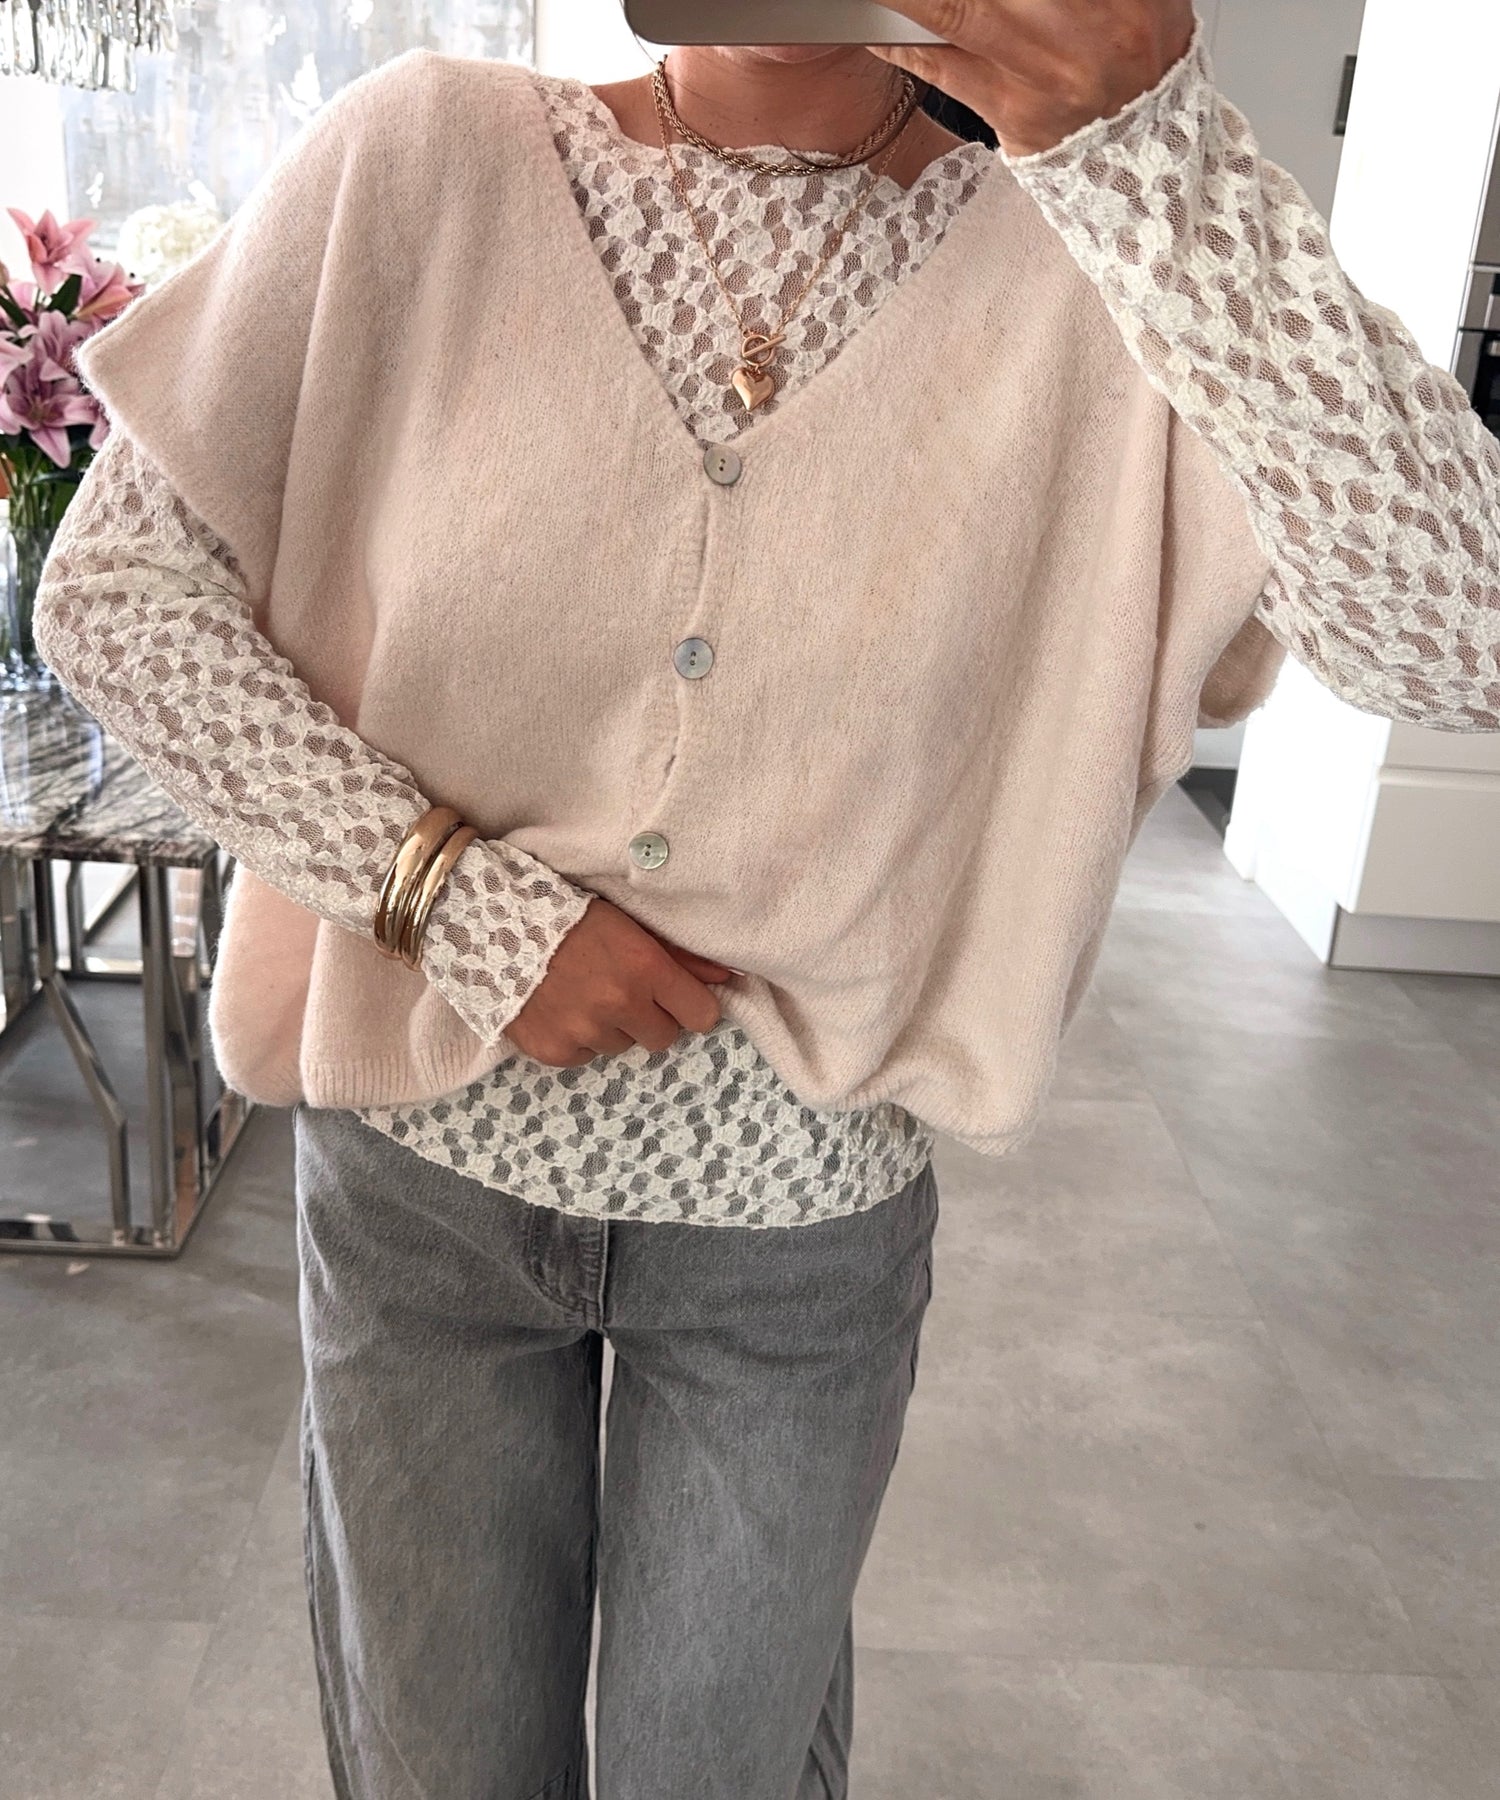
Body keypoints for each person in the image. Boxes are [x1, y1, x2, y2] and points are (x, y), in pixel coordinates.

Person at [32, 2, 1500, 1795]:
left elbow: (1461, 639)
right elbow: (114, 599)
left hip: (795, 1235)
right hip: (422, 1189)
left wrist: (1152, 146)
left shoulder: (1101, 258)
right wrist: (458, 903)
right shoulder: (419, 156)